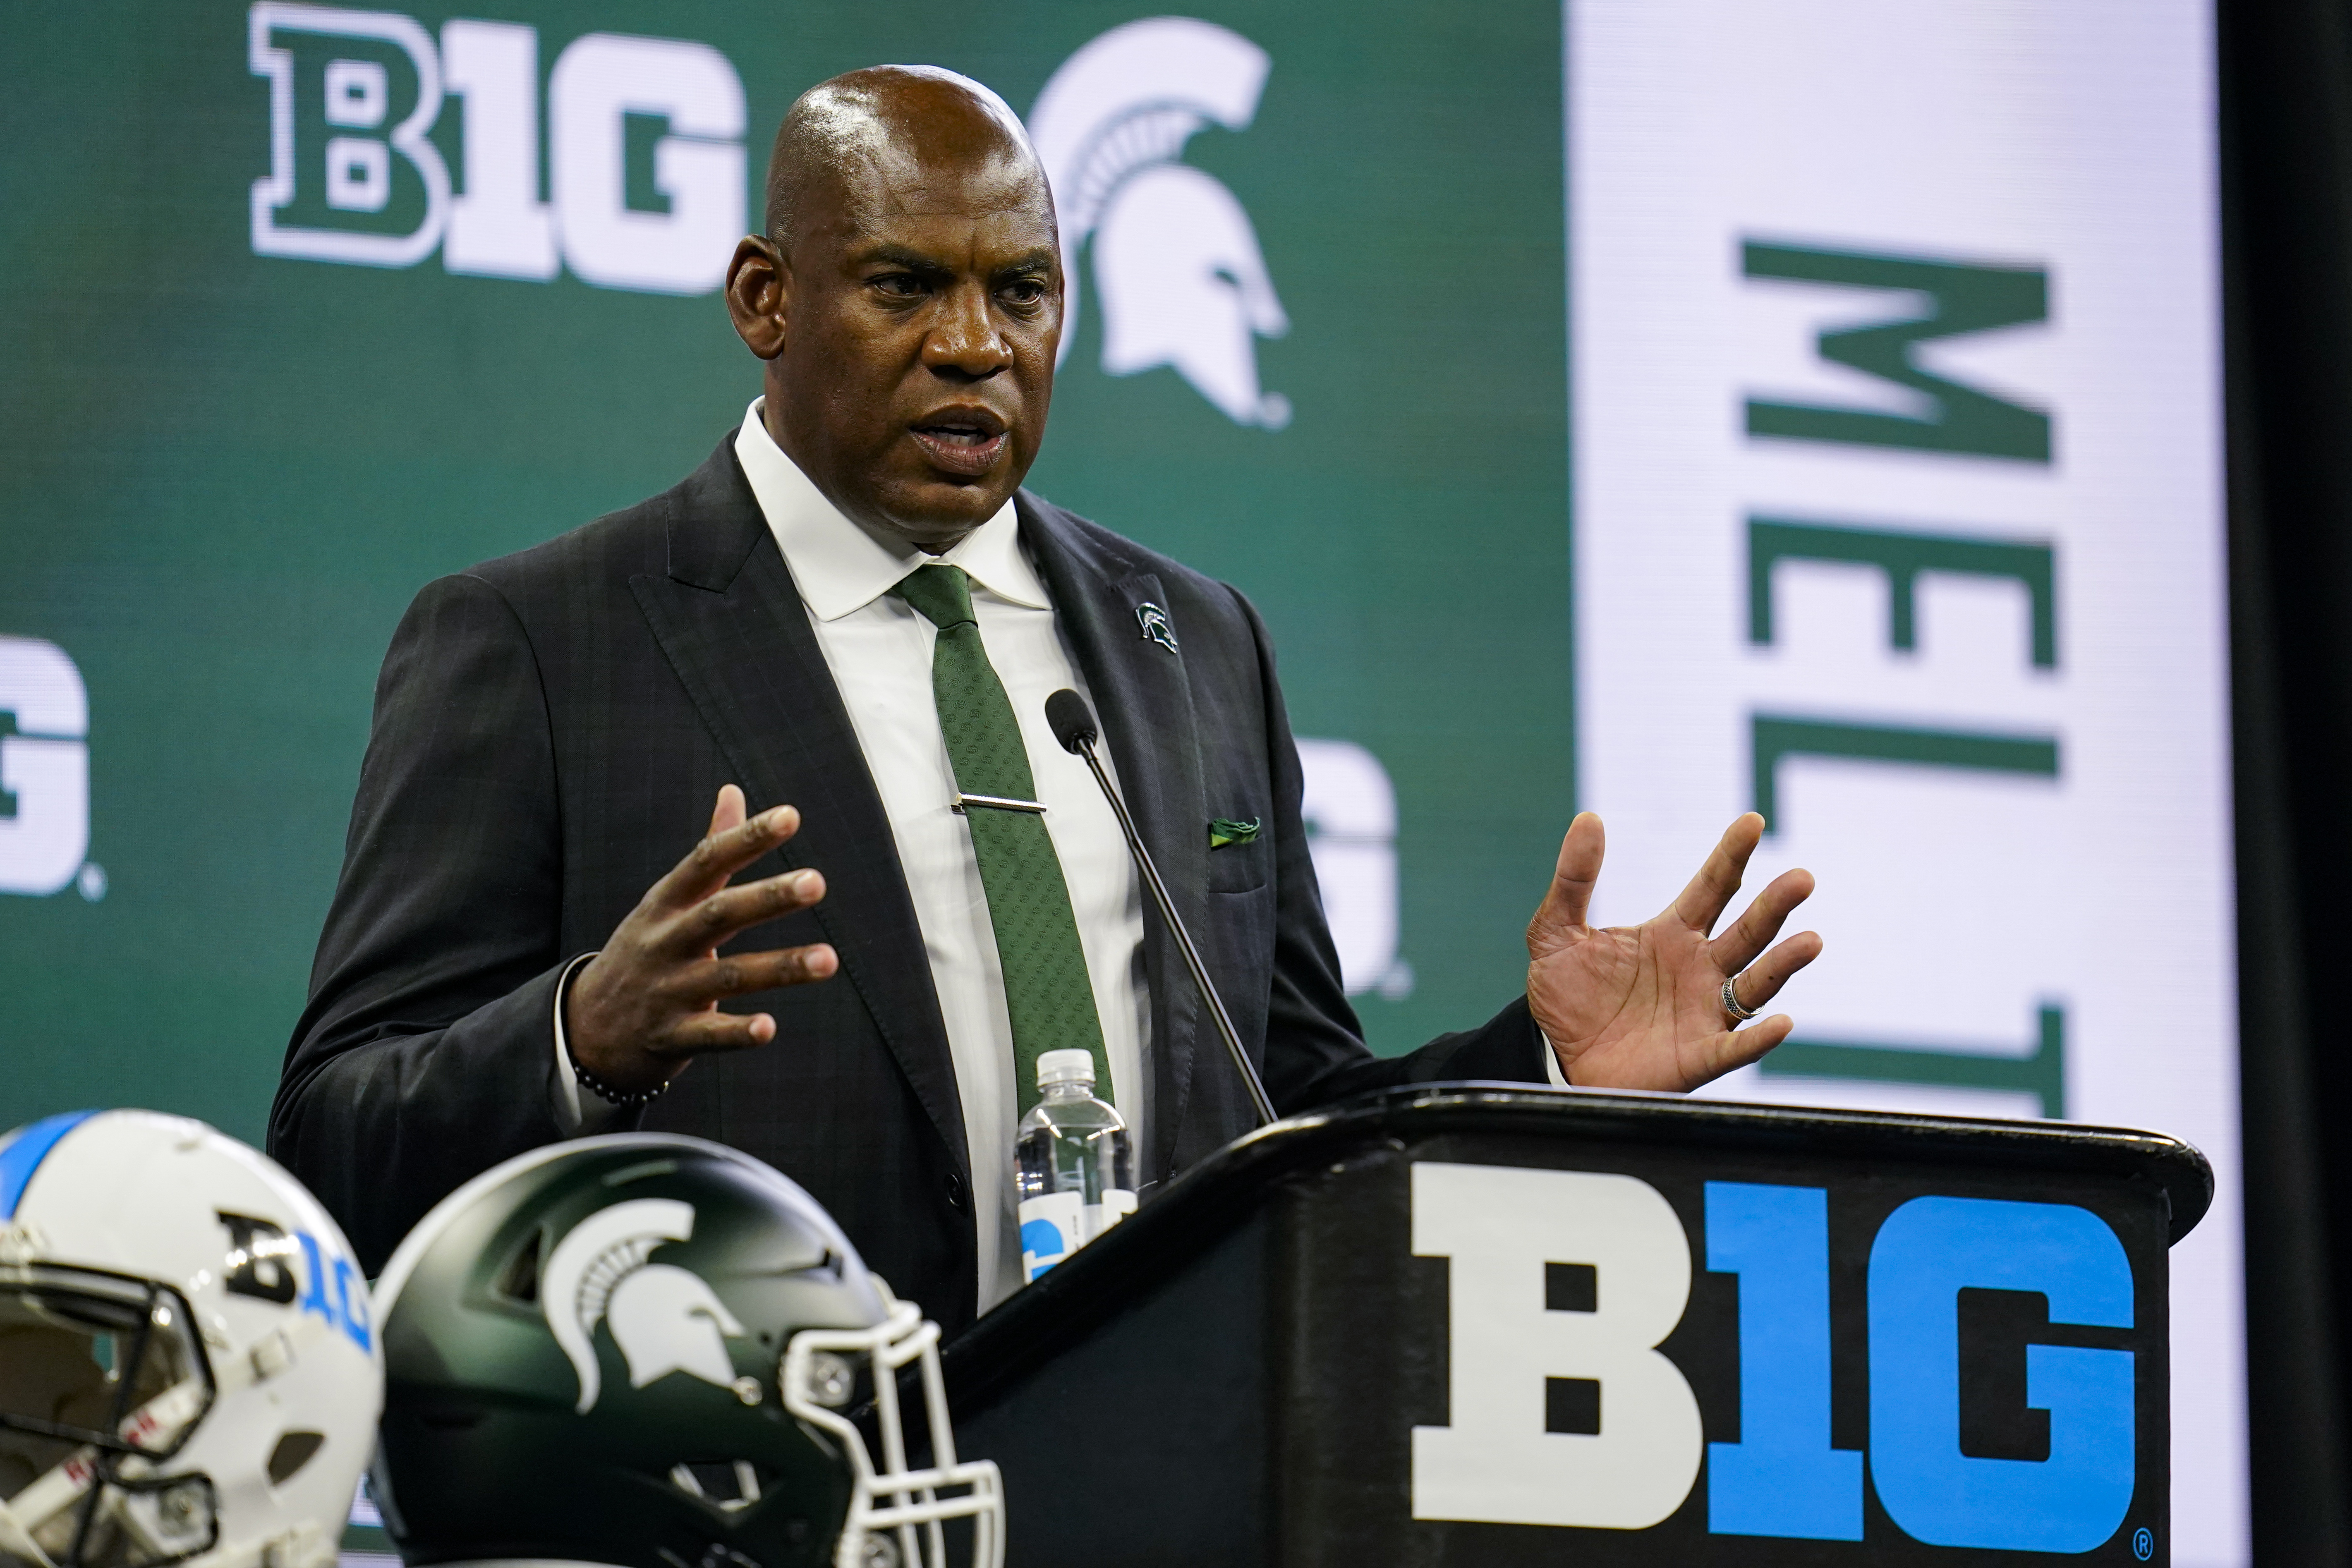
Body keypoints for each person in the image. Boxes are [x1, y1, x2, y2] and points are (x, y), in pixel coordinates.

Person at [269, 66, 1820, 1331]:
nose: (974, 348)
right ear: (766, 297)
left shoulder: (1198, 645)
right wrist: (582, 1035)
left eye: (1022, 292)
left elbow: (1286, 1118)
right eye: (903, 286)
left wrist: (1535, 1070)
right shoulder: (544, 640)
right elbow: (334, 1134)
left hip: (1160, 1486)